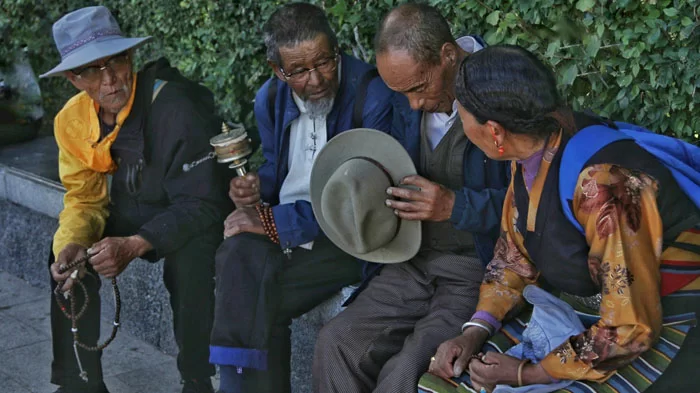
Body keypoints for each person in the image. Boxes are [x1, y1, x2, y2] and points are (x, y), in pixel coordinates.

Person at [424, 45, 700, 393]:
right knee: (443, 385)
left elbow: (630, 328)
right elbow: (514, 258)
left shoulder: (605, 185)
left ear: (494, 131)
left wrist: (528, 373)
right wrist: (475, 330)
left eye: (459, 114)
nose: (459, 123)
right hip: (604, 307)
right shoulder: (528, 157)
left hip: (667, 313)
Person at [312, 4, 510, 393]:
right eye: (401, 93)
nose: (413, 104)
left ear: (448, 56)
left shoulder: (503, 88)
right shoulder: (406, 95)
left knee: (405, 374)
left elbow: (535, 200)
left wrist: (457, 206)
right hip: (409, 260)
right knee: (335, 344)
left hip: (476, 269)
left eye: (419, 88)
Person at [41, 6, 231, 393]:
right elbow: (84, 199)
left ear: (131, 58)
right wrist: (74, 244)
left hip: (187, 208)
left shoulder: (176, 108)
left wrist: (135, 244)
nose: (111, 80)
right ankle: (80, 381)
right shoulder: (71, 120)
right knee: (65, 261)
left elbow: (204, 203)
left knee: (192, 262)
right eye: (92, 70)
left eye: (117, 61)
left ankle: (196, 377)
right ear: (72, 79)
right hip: (130, 204)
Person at [208, 3, 394, 393]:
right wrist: (254, 187)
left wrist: (276, 223)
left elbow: (368, 198)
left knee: (255, 296)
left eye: (325, 61)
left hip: (347, 238)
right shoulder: (271, 98)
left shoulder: (372, 96)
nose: (317, 79)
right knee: (236, 253)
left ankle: (231, 386)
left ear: (336, 49)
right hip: (289, 228)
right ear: (278, 69)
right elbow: (280, 169)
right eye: (299, 71)